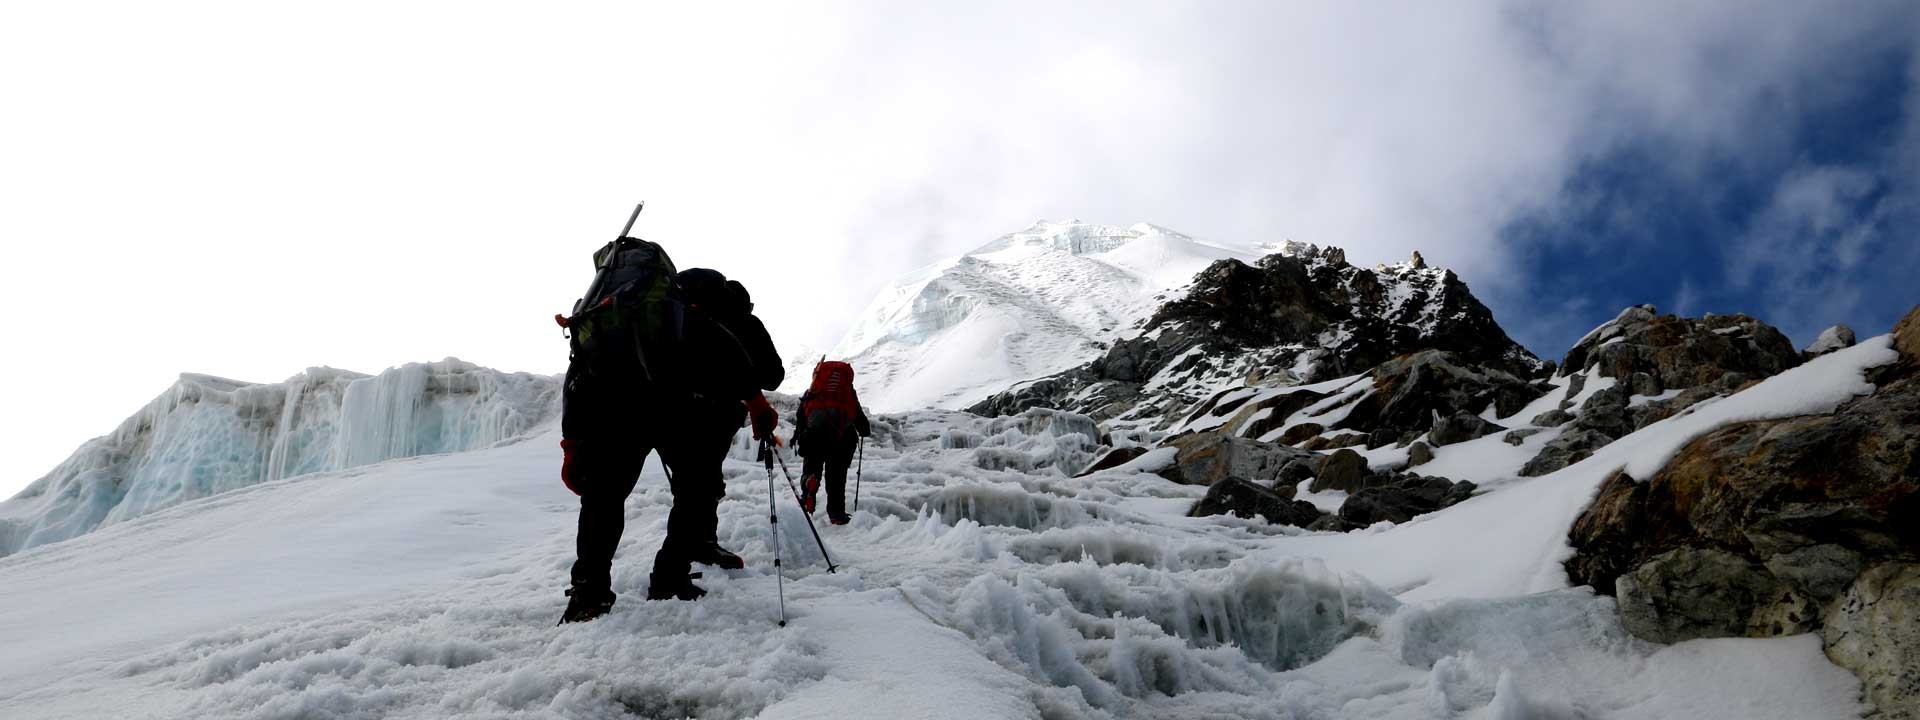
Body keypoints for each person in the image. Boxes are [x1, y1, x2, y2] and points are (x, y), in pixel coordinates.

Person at [558, 245, 781, 624]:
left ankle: (588, 595)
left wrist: (571, 444)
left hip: (612, 413)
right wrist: (757, 404)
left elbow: (576, 379)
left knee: (603, 500)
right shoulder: (674, 311)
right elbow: (729, 352)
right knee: (696, 491)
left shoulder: (601, 313)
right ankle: (669, 578)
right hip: (671, 408)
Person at [793, 360, 871, 525]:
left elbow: (801, 417)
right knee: (836, 477)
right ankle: (837, 515)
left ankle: (809, 485)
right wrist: (864, 429)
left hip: (814, 437)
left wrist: (798, 436)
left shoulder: (813, 391)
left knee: (812, 466)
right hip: (841, 440)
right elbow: (858, 415)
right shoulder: (847, 393)